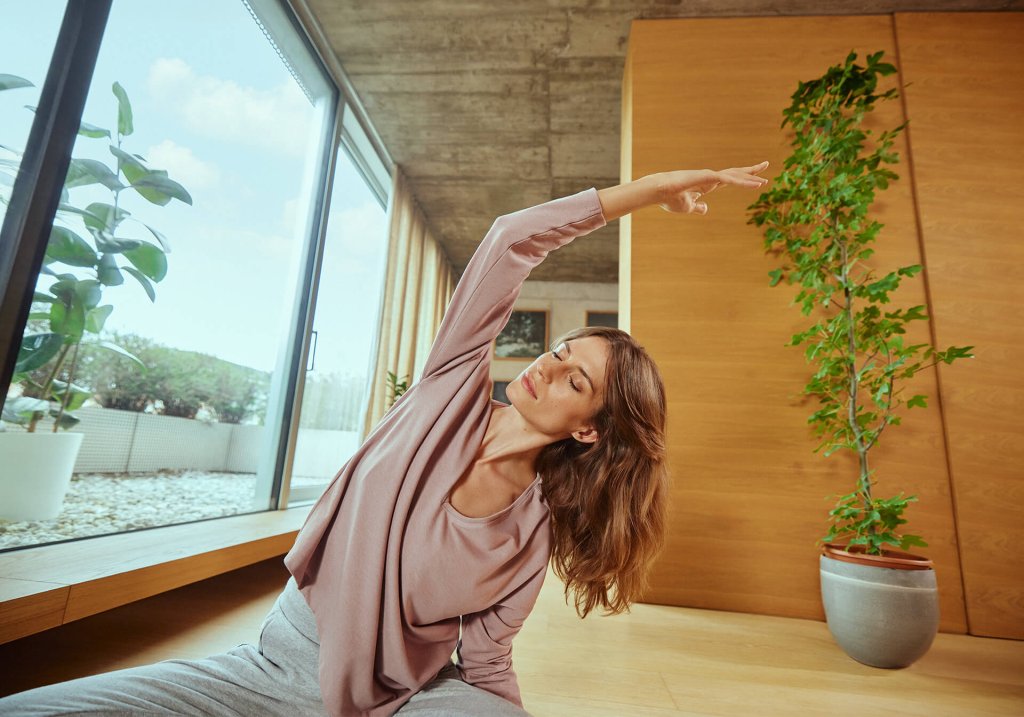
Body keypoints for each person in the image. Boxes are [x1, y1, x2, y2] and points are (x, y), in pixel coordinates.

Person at [0, 161, 770, 716]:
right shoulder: (447, 391)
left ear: (590, 427)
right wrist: (644, 191)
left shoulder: (530, 534)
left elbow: (489, 664)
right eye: (560, 350)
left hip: (399, 699)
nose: (549, 364)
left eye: (576, 379)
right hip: (274, 664)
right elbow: (509, 242)